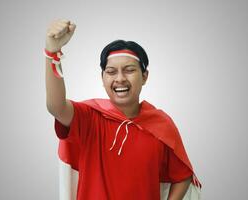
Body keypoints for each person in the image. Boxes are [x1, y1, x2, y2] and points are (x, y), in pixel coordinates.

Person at [45, 19, 202, 200]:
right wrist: (52, 52)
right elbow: (55, 106)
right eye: (111, 71)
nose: (120, 78)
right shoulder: (88, 117)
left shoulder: (162, 126)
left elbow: (182, 175)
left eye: (129, 70)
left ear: (144, 76)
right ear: (102, 78)